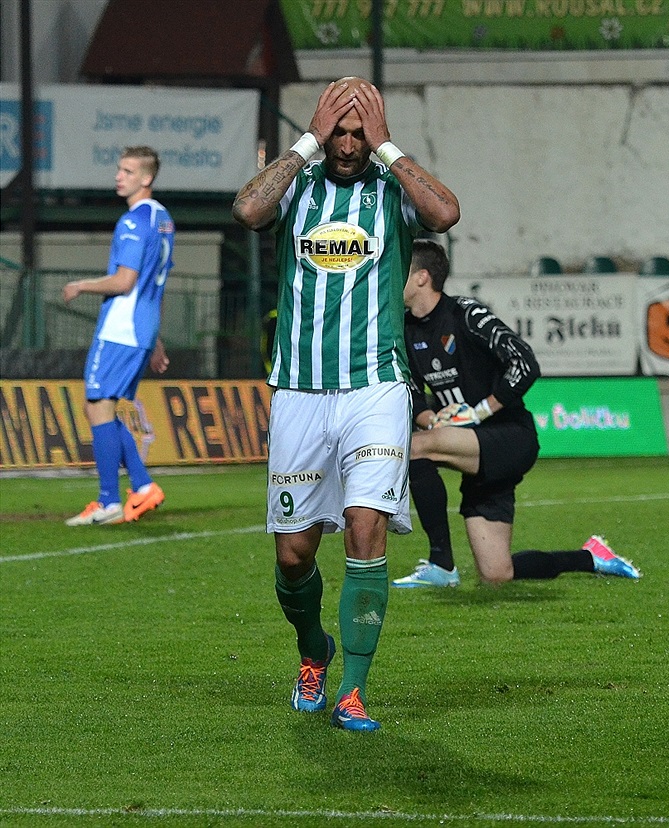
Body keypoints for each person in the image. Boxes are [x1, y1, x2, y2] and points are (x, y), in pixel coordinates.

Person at [232, 77, 460, 730]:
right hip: (300, 390)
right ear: (324, 131)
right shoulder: (297, 186)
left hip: (376, 385)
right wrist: (305, 139)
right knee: (293, 553)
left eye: (361, 132)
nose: (351, 143)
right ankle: (314, 651)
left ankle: (354, 691)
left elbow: (445, 213)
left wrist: (390, 146)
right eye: (342, 131)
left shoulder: (390, 191)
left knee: (367, 526)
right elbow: (248, 211)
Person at [392, 239, 641, 588]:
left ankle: (441, 565)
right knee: (497, 573)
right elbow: (413, 392)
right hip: (473, 449)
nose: (389, 277)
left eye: (397, 270)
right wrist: (432, 420)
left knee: (414, 447)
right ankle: (591, 557)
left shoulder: (467, 315)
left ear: (421, 277)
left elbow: (525, 362)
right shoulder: (404, 330)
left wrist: (479, 412)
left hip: (510, 437)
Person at [63, 146, 174, 526]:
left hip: (121, 327)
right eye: (119, 169)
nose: (118, 176)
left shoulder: (133, 220)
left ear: (146, 178)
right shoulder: (163, 219)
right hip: (140, 330)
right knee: (98, 407)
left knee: (97, 404)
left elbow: (125, 282)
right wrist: (155, 340)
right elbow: (155, 286)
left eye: (127, 170)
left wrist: (82, 284)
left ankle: (110, 499)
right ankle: (141, 487)